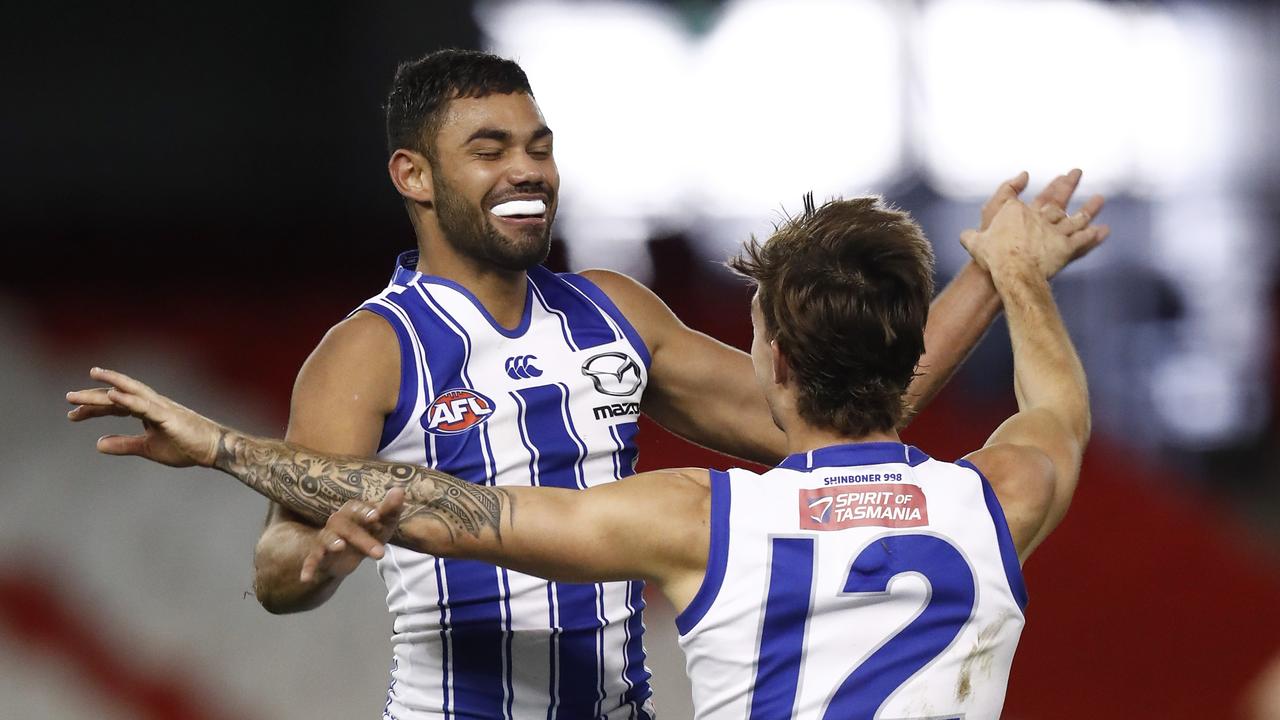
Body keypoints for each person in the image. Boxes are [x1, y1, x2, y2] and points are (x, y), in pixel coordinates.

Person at [72, 46, 1103, 718]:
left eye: (538, 146)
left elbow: (841, 401)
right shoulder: (369, 350)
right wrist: (320, 559)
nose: (526, 170)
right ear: (413, 177)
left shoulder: (613, 310)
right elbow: (278, 567)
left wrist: (981, 274)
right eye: (489, 150)